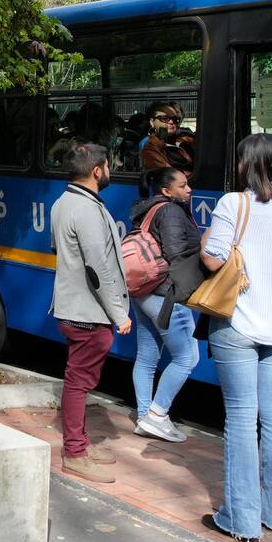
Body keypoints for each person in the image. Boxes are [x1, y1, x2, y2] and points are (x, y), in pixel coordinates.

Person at [200, 133, 272, 542]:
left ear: (246, 164)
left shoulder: (234, 203)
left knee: (242, 420)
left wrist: (206, 243)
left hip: (240, 325)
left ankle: (241, 519)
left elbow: (213, 259)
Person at [49, 143, 133, 483]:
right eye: (108, 165)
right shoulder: (85, 210)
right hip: (87, 312)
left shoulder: (63, 202)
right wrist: (119, 314)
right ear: (97, 170)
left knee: (79, 381)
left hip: (72, 306)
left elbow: (58, 249)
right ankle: (75, 452)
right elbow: (97, 268)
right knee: (78, 382)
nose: (110, 170)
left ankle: (80, 442)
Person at [127, 167, 203, 443]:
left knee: (147, 356)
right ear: (166, 191)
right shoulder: (170, 211)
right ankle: (157, 416)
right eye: (182, 186)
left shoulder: (147, 209)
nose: (189, 190)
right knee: (187, 357)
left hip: (143, 292)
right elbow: (176, 253)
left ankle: (144, 416)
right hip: (165, 294)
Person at [141, 103, 194, 176]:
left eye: (175, 119)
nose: (171, 122)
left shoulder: (185, 139)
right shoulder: (151, 149)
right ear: (152, 122)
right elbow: (170, 176)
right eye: (164, 118)